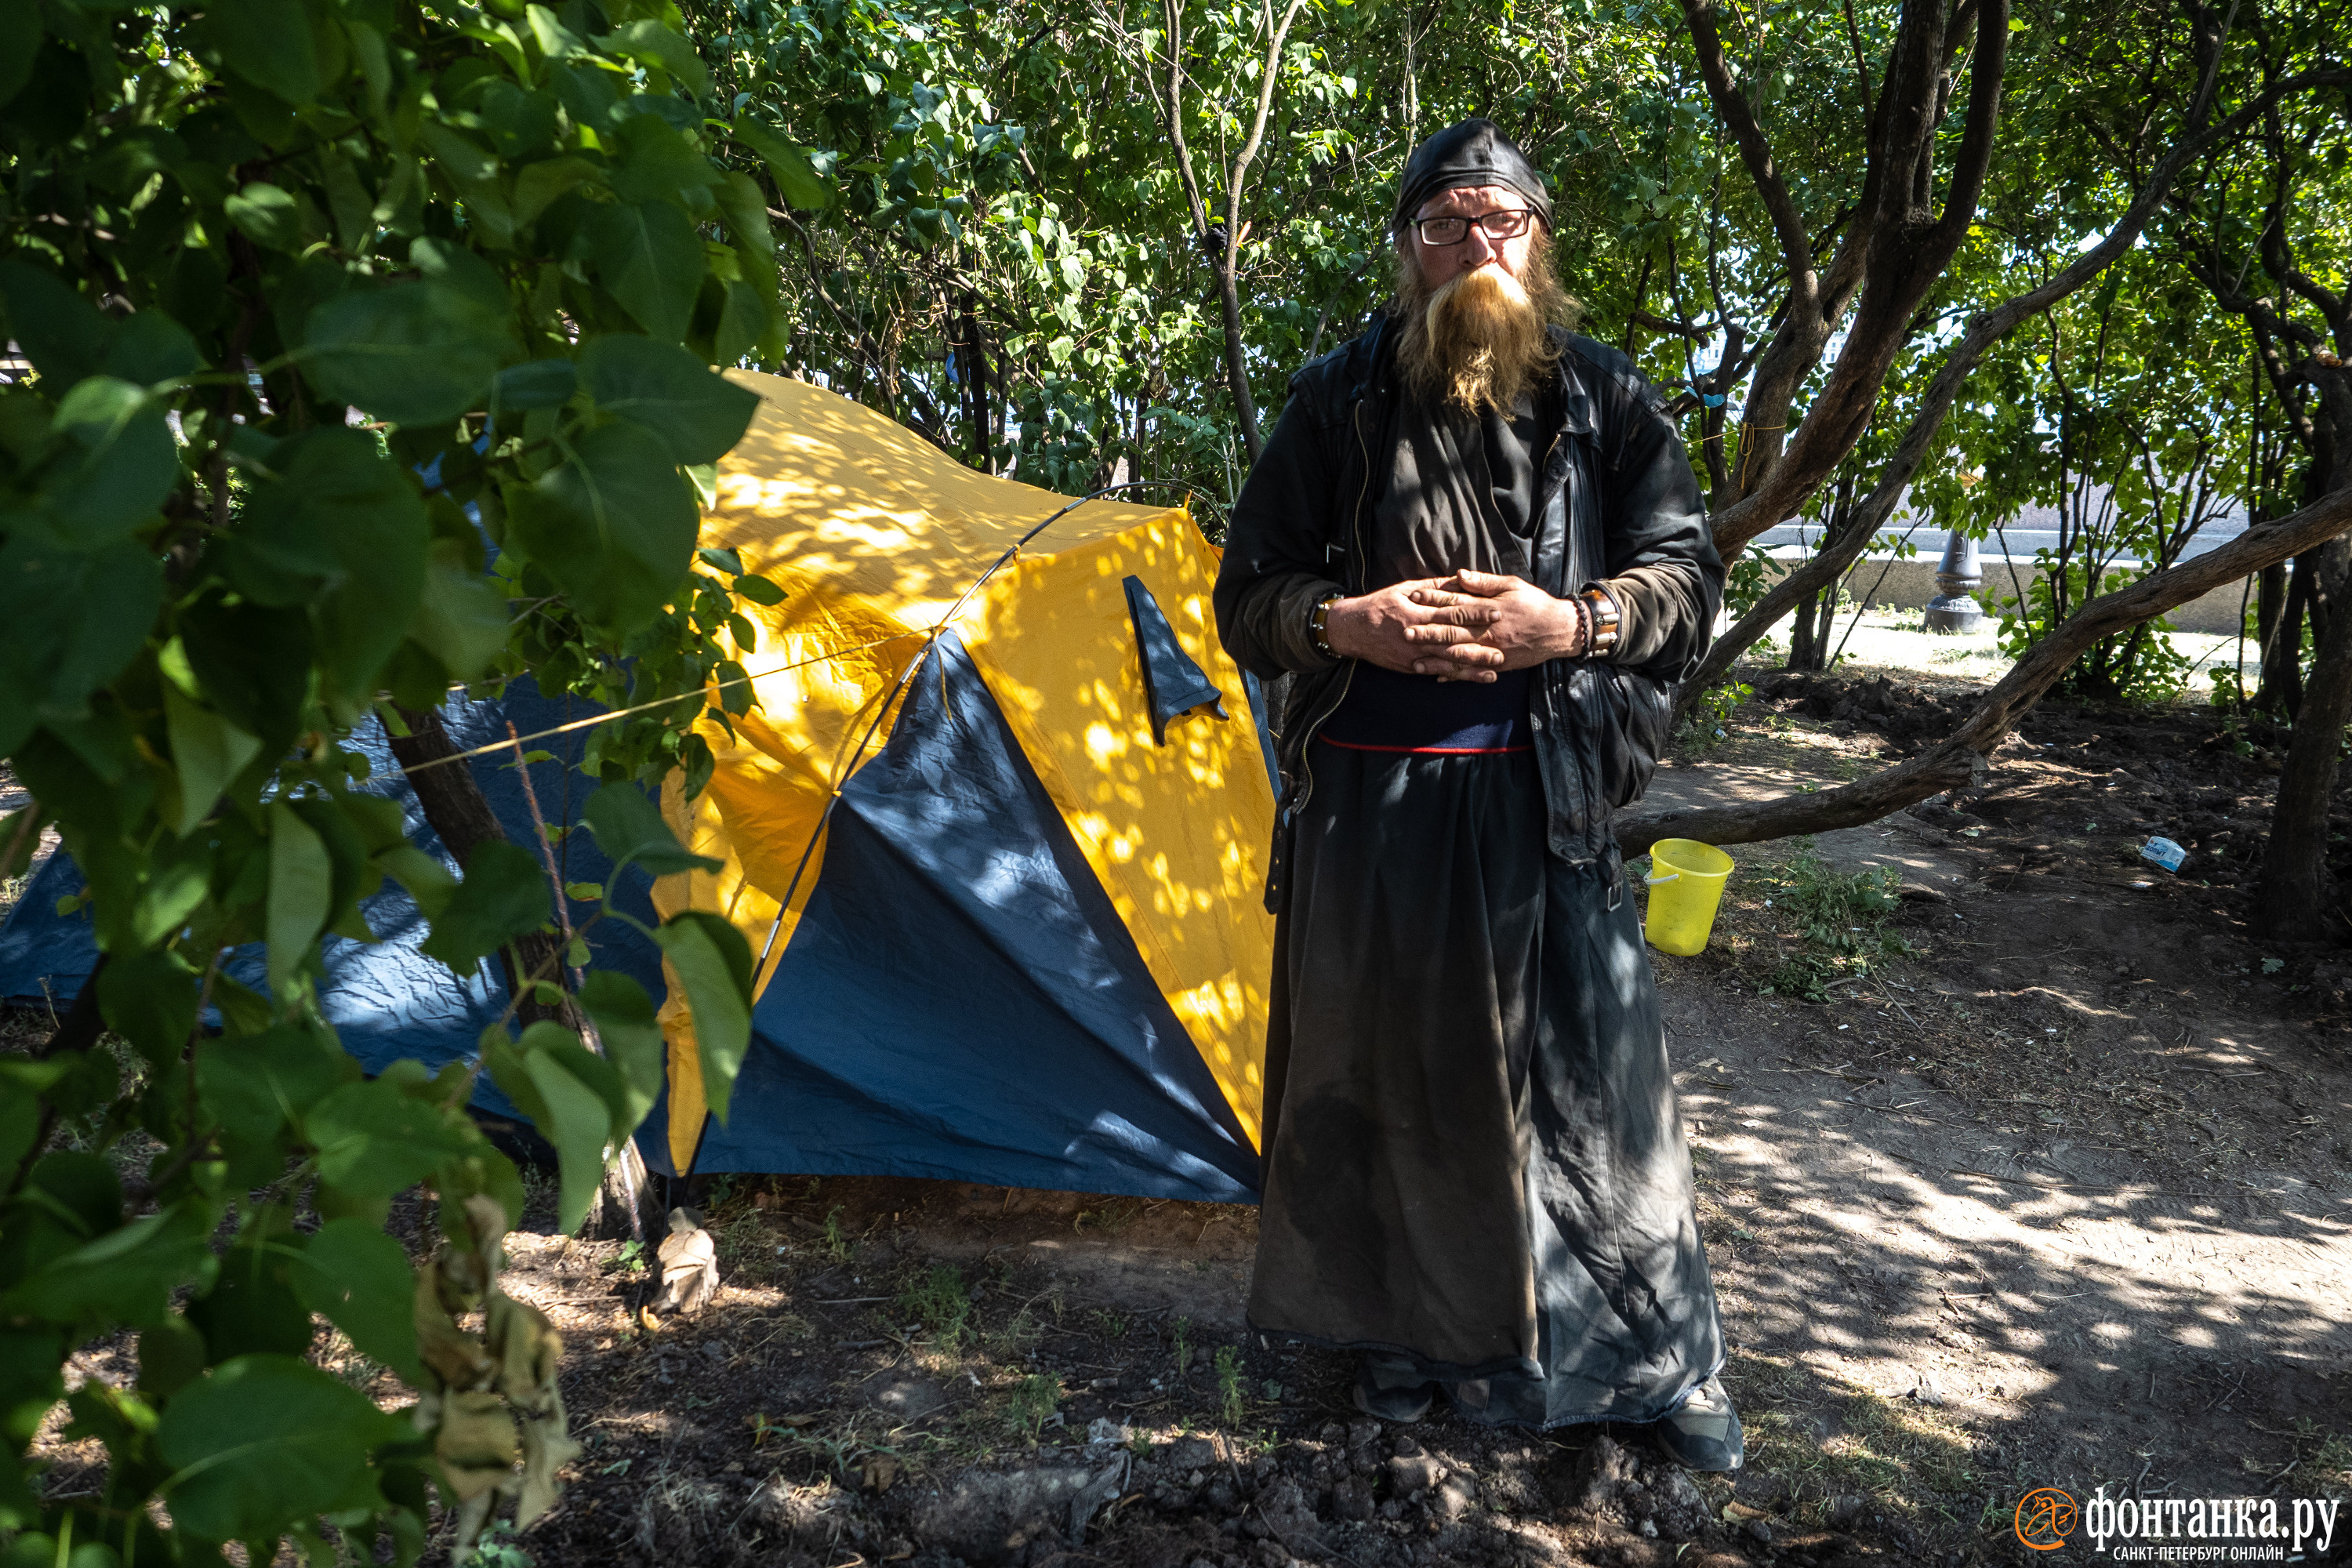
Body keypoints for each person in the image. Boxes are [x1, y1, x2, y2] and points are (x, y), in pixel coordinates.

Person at [1211, 118, 1740, 1469]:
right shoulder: (1335, 401)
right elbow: (1244, 599)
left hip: (1543, 799)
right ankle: (1403, 1344)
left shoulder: (1606, 402)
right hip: (1370, 812)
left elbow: (1687, 582)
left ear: (1538, 244)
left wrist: (1572, 623)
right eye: (1443, 224)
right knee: (1387, 1077)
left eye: (1497, 222)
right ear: (1407, 250)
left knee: (1588, 1087)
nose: (1473, 246)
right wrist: (1345, 622)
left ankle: (1653, 1367)